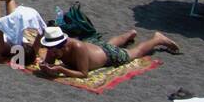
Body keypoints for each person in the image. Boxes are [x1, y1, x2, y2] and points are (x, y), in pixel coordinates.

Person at [37, 26, 179, 79]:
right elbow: (48, 63)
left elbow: (84, 73)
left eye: (53, 50)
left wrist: (61, 69)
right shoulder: (54, 47)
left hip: (107, 55)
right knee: (108, 44)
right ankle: (129, 34)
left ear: (62, 46)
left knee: (134, 53)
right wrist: (45, 67)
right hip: (96, 48)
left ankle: (157, 39)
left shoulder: (77, 47)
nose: (51, 52)